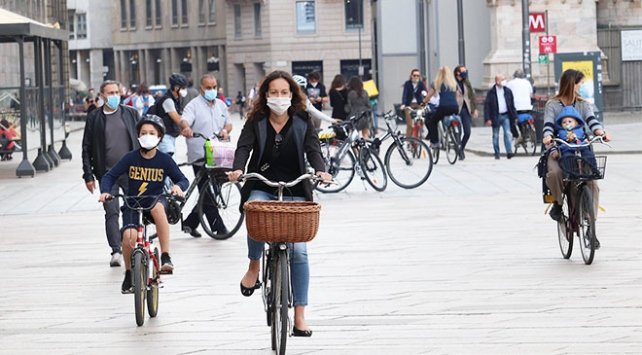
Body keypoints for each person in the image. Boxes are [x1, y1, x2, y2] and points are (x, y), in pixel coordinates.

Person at [227, 70, 332, 337]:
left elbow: (313, 150)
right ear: (265, 95)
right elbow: (243, 147)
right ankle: (254, 266)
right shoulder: (256, 120)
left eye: (284, 92)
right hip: (262, 183)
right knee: (254, 209)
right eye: (273, 92)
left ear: (292, 95)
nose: (279, 97)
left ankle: (299, 317)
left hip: (296, 186)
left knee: (299, 252)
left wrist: (321, 170)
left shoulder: (302, 120)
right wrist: (238, 169)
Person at [98, 115, 189, 293]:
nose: (147, 136)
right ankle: (129, 273)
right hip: (133, 203)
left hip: (155, 200)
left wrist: (178, 187)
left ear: (160, 137)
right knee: (128, 238)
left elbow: (182, 179)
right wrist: (106, 191)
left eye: (152, 133)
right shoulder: (130, 158)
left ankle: (165, 255)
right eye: (143, 133)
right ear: (138, 136)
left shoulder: (164, 160)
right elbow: (110, 175)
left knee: (157, 208)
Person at [542, 69, 610, 241]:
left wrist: (601, 132)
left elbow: (592, 121)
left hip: (580, 149)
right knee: (556, 173)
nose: (581, 86)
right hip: (559, 148)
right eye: (579, 83)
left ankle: (591, 226)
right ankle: (557, 204)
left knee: (592, 184)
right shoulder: (552, 104)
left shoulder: (583, 104)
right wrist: (548, 137)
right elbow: (548, 125)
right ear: (572, 84)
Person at [81, 80, 141, 267]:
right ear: (102, 95)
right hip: (107, 174)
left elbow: (143, 139)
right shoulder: (94, 118)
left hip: (131, 171)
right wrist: (88, 175)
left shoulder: (131, 114)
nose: (114, 95)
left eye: (117, 92)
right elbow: (86, 148)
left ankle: (131, 245)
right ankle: (116, 250)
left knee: (132, 208)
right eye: (110, 92)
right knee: (111, 211)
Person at [179, 73, 233, 238]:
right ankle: (219, 228)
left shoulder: (221, 105)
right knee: (206, 190)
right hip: (200, 155)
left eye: (214, 87)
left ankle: (190, 222)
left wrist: (225, 130)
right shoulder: (193, 105)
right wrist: (186, 128)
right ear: (201, 88)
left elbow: (228, 123)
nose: (212, 90)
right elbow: (184, 121)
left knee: (214, 190)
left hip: (219, 153)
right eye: (208, 88)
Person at [552, 107, 600, 176]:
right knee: (567, 157)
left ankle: (594, 170)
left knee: (589, 155)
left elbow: (584, 137)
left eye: (570, 121)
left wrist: (587, 140)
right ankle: (569, 173)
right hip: (567, 148)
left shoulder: (580, 130)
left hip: (581, 147)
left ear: (576, 123)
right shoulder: (561, 132)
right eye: (564, 122)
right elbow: (556, 141)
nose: (567, 123)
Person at [423, 66, 459, 147]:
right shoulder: (454, 83)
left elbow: (428, 96)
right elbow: (457, 96)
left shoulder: (437, 82)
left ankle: (435, 142)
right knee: (455, 119)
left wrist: (423, 103)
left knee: (433, 121)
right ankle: (455, 137)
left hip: (443, 107)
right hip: (454, 107)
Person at [154, 73, 190, 156]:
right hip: (165, 136)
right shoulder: (168, 100)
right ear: (176, 88)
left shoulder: (176, 99)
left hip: (171, 136)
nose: (185, 90)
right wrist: (187, 127)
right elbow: (177, 119)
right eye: (183, 88)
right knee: (169, 162)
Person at [484, 74, 517, 159]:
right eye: (502, 79)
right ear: (497, 81)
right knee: (495, 135)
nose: (504, 81)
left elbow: (512, 104)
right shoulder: (491, 92)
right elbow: (487, 106)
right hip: (495, 116)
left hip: (506, 115)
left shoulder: (508, 91)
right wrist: (487, 118)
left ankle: (509, 152)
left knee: (508, 133)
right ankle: (497, 153)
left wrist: (514, 116)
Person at [454, 65, 479, 160]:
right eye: (463, 71)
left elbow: (472, 96)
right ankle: (459, 151)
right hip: (456, 109)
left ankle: (461, 148)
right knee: (458, 132)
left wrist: (474, 109)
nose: (466, 72)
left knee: (467, 132)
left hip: (466, 109)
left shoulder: (467, 82)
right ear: (458, 73)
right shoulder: (453, 83)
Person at [506, 69, 533, 140]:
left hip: (516, 107)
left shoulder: (510, 83)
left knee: (512, 120)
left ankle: (516, 136)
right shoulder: (527, 82)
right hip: (527, 106)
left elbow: (506, 94)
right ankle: (526, 132)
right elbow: (531, 94)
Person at [400, 69, 428, 138]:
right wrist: (403, 104)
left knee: (420, 119)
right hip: (409, 104)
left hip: (418, 104)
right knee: (410, 124)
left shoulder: (421, 84)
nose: (416, 77)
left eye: (418, 76)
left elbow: (426, 92)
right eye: (414, 75)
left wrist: (424, 93)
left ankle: (420, 132)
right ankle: (408, 140)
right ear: (411, 76)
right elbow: (405, 94)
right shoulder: (407, 83)